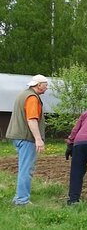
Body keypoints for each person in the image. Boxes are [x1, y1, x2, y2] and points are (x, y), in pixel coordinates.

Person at [6, 74, 49, 205]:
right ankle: (22, 201)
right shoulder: (32, 98)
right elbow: (31, 120)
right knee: (26, 169)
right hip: (26, 137)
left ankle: (19, 197)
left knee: (23, 168)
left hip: (18, 136)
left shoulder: (23, 94)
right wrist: (38, 139)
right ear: (38, 85)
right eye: (46, 85)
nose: (47, 88)